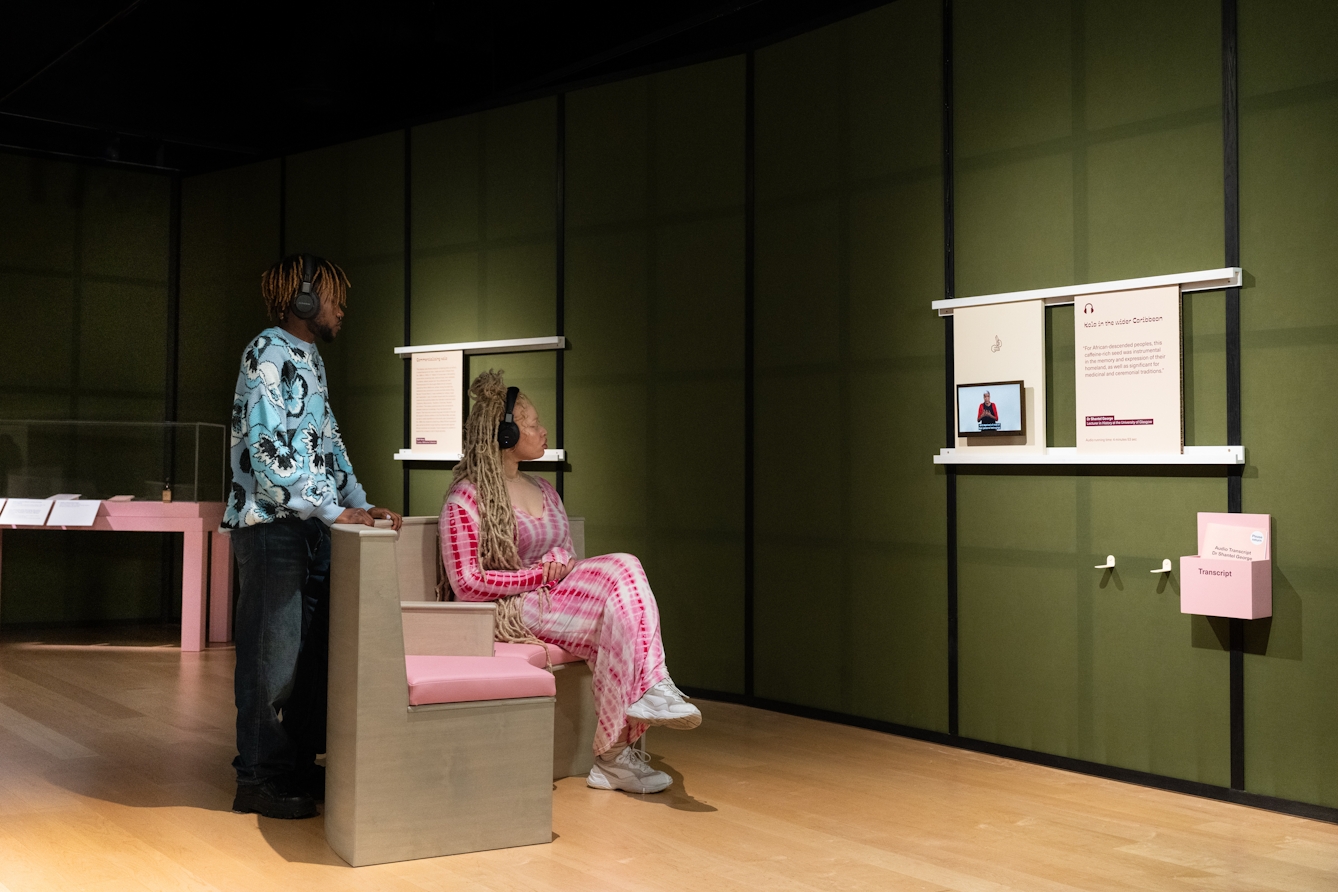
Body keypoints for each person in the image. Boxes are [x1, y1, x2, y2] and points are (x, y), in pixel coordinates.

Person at [439, 371, 700, 794]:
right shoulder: (467, 497)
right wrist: (538, 573)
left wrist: (560, 559)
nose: (543, 432)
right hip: (512, 608)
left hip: (554, 597)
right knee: (616, 599)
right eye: (532, 424)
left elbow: (563, 548)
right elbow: (466, 583)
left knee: (624, 575)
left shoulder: (544, 488)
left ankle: (645, 702)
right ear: (504, 434)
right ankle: (620, 746)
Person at [224, 253, 402, 819]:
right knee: (270, 661)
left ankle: (296, 765)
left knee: (307, 660)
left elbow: (328, 442)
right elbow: (269, 457)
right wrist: (330, 510)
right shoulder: (266, 353)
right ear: (302, 299)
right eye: (332, 296)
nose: (342, 307)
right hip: (271, 529)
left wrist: (356, 502)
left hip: (311, 529)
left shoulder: (311, 359)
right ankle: (257, 777)